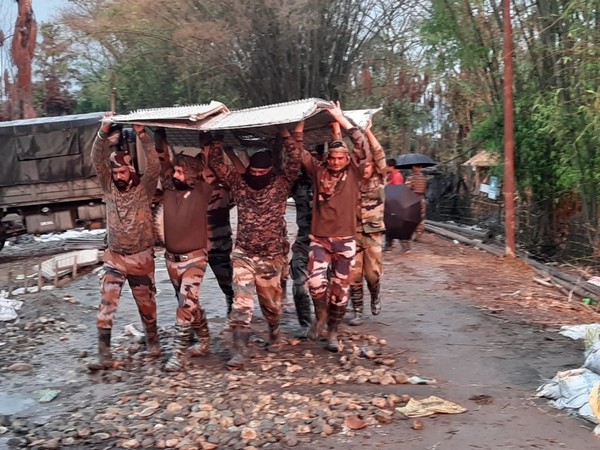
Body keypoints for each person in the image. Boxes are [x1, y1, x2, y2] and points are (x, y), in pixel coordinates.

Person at [208, 129, 301, 368]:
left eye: (262, 172)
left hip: (272, 257)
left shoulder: (281, 185)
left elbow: (296, 160)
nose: (257, 175)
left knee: (272, 307)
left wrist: (289, 137)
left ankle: (274, 331)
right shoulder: (240, 184)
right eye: (253, 171)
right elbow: (216, 165)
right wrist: (217, 139)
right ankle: (239, 350)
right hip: (244, 256)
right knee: (242, 305)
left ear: (270, 172)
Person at [298, 102, 371, 352]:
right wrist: (296, 129)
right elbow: (299, 152)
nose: (337, 161)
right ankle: (321, 314)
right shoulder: (318, 172)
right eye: (333, 157)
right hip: (320, 239)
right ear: (327, 157)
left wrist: (341, 121)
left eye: (341, 158)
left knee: (340, 291)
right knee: (315, 284)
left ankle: (333, 332)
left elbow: (362, 146)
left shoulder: (354, 172)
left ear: (347, 159)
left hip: (346, 241)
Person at [89, 115, 160, 370]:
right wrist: (103, 131)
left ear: (130, 170)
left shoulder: (145, 188)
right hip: (116, 257)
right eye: (115, 171)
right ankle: (103, 354)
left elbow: (154, 164)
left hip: (141, 257)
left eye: (122, 171)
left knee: (147, 304)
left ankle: (153, 340)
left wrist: (142, 134)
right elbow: (97, 160)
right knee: (107, 301)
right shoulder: (109, 188)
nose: (118, 175)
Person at [153, 129, 215, 372]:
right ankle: (205, 339)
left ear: (190, 173)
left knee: (186, 303)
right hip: (171, 261)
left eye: (180, 171)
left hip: (195, 259)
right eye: (175, 171)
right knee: (189, 303)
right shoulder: (169, 191)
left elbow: (210, 168)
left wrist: (207, 143)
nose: (175, 174)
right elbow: (163, 162)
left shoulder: (201, 192)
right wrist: (159, 138)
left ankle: (178, 354)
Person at [348, 124, 386, 326]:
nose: (365, 168)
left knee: (372, 274)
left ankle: (375, 295)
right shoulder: (352, 181)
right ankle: (357, 311)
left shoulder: (379, 178)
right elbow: (348, 154)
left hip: (373, 233)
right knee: (353, 274)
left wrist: (368, 131)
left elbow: (378, 152)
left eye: (368, 165)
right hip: (353, 232)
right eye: (362, 165)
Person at [289, 144, 325, 338]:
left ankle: (324, 321)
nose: (306, 161)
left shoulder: (330, 180)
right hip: (304, 239)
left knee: (323, 285)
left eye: (310, 156)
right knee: (299, 283)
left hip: (328, 241)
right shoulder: (297, 181)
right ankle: (305, 323)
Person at [406, 164, 428, 242]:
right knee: (421, 217)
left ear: (414, 167)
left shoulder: (411, 177)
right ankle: (419, 233)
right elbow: (425, 188)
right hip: (421, 198)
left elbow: (407, 188)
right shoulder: (424, 178)